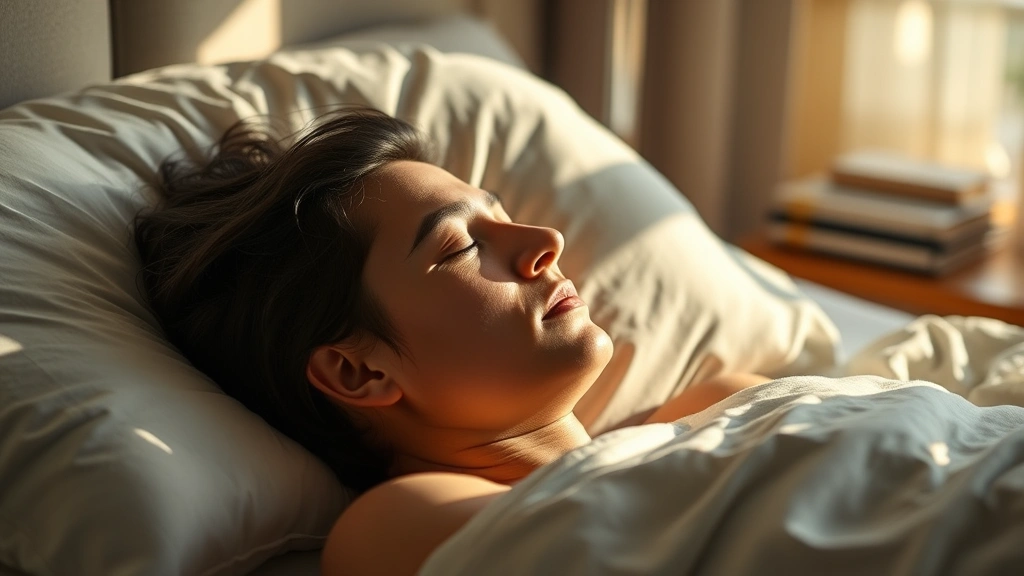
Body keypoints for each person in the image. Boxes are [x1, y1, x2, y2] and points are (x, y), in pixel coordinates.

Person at [134, 107, 769, 575]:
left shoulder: (719, 407)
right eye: (464, 246)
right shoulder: (394, 525)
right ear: (359, 371)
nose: (544, 239)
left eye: (498, 213)